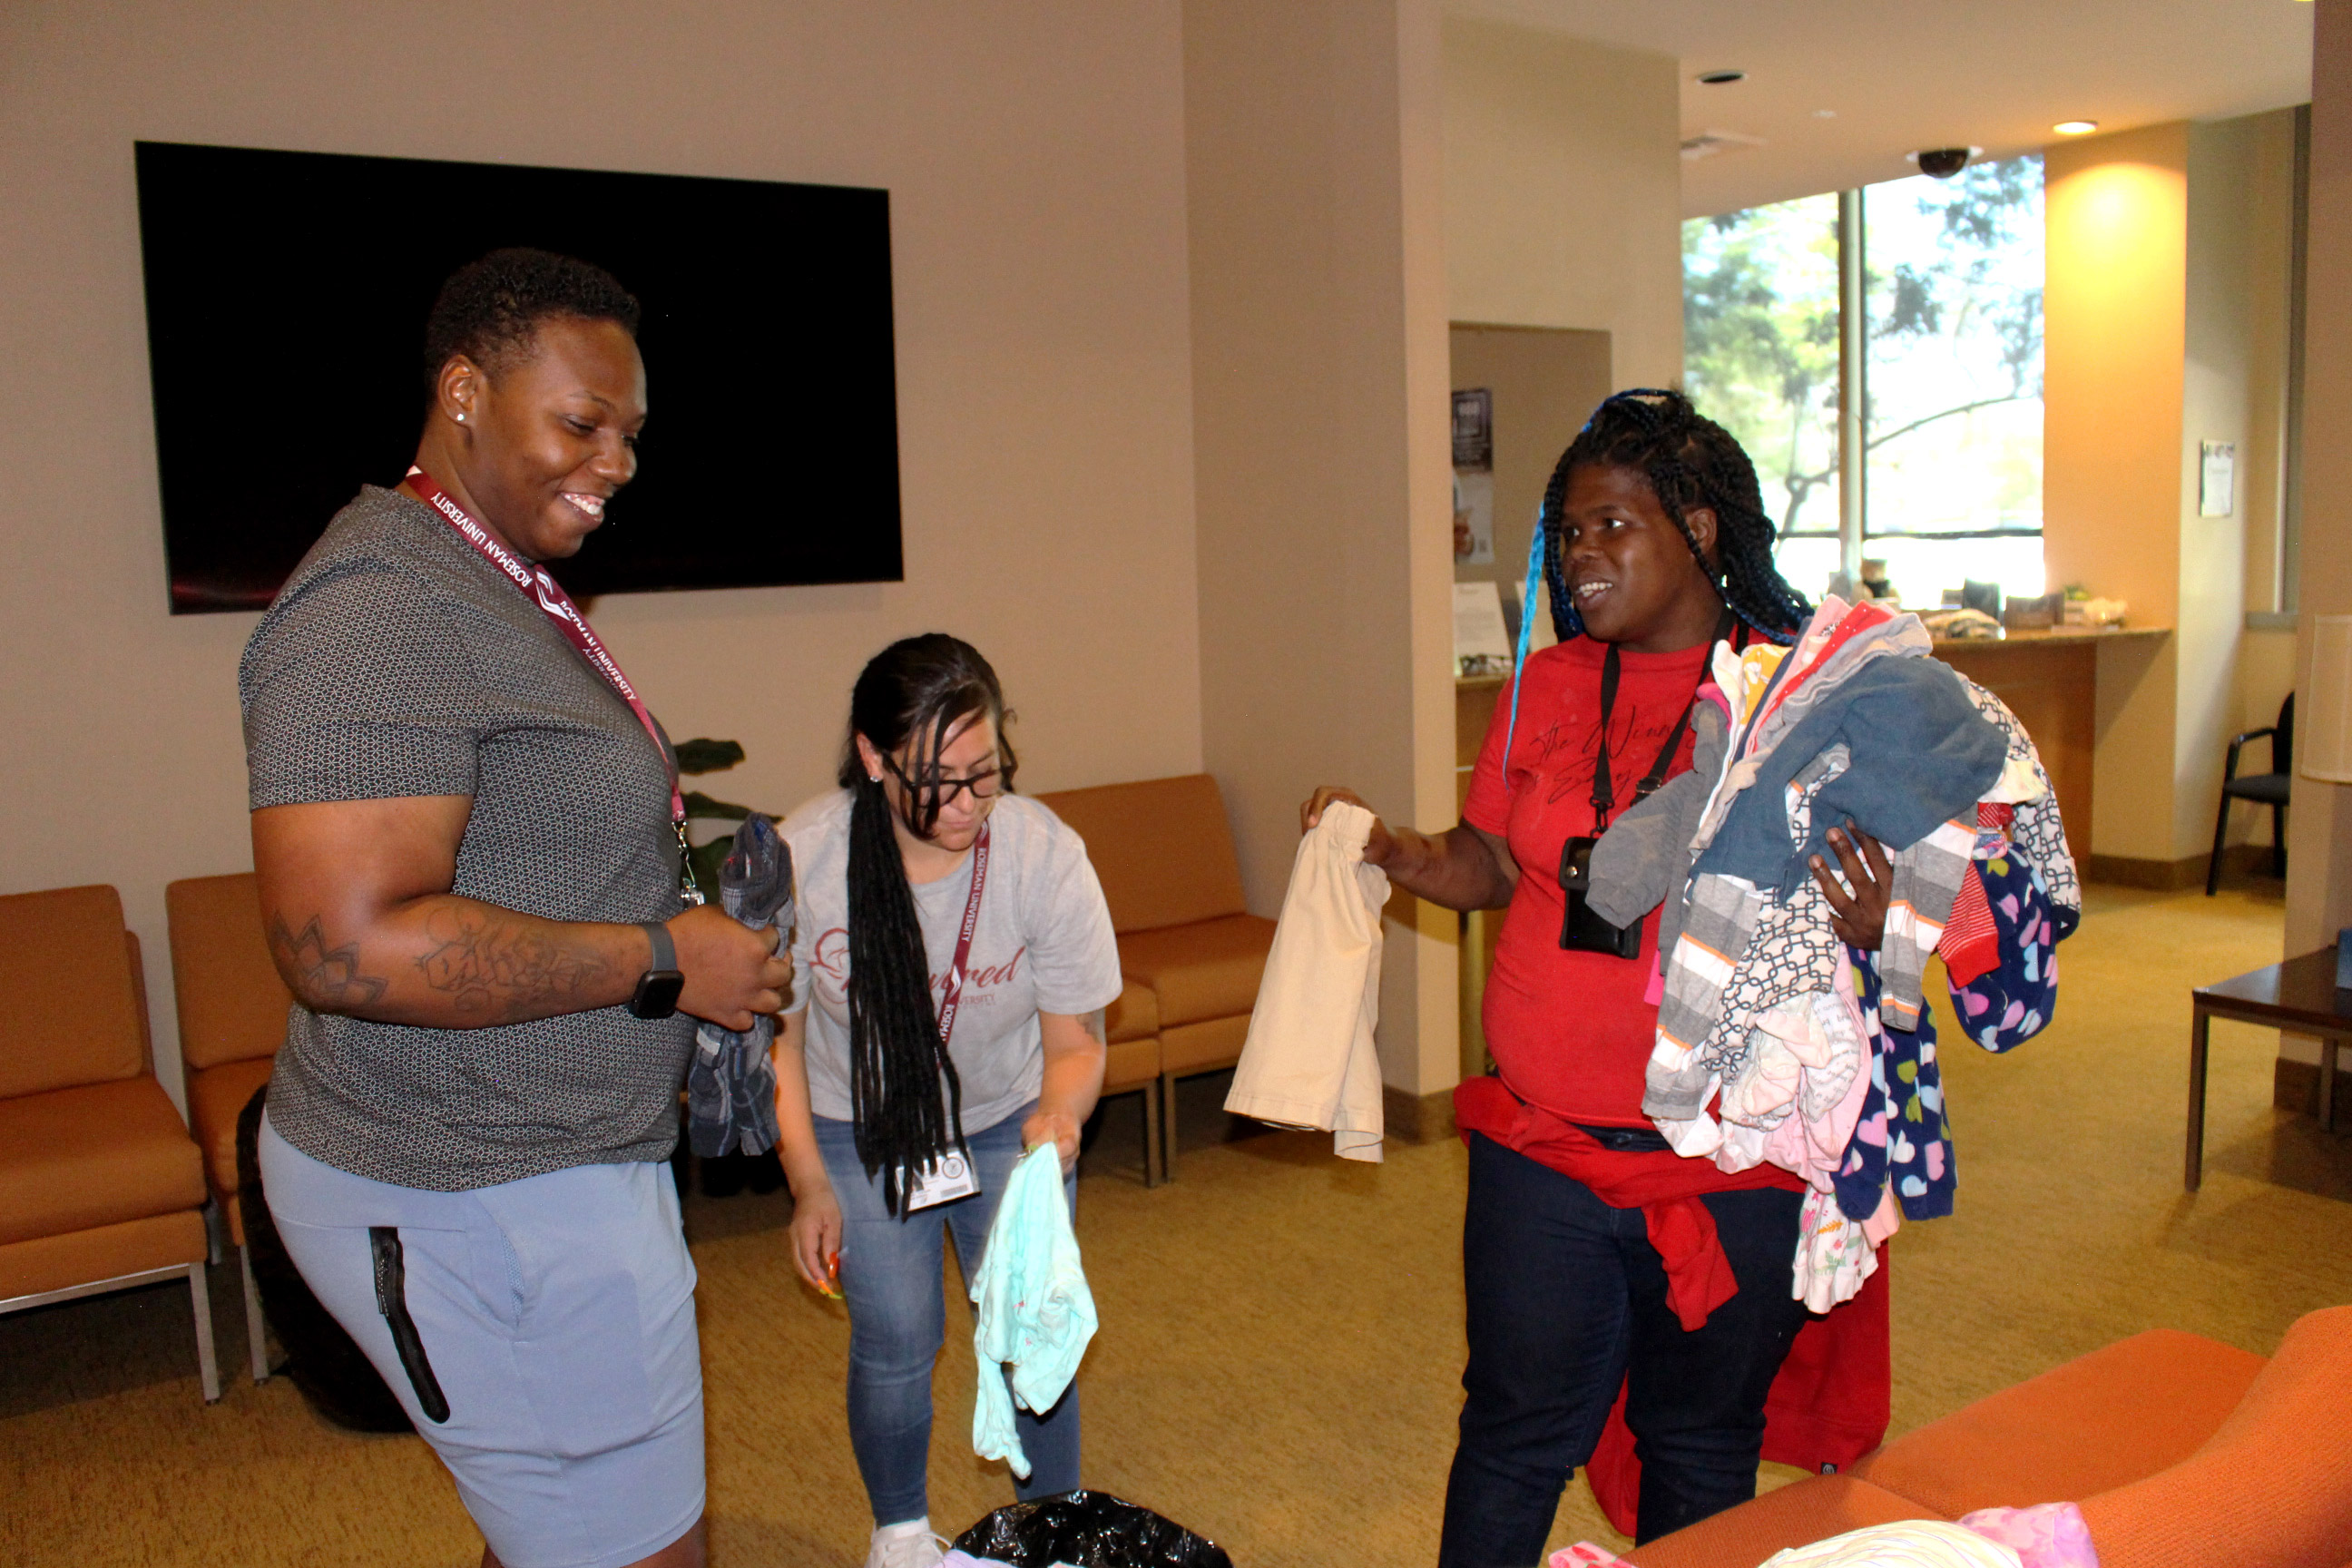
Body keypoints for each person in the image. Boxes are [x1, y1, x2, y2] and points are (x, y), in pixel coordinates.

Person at [242, 248, 790, 1568]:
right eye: (582, 423)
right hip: (475, 1182)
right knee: (640, 1551)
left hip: (547, 1165)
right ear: (464, 392)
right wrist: (663, 958)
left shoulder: (485, 578)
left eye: (632, 434)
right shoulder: (378, 607)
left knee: (559, 1532)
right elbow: (344, 946)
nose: (617, 463)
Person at [1305, 389, 1902, 1563]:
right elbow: (1495, 862)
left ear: (1700, 527)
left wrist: (1880, 923)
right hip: (1543, 1150)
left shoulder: (1804, 696)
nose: (1581, 554)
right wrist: (1399, 851)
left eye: (1613, 526)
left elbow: (1914, 915)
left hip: (1730, 1166)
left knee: (1700, 1442)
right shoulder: (1546, 685)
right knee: (1512, 1432)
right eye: (1569, 531)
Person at [772, 633, 1123, 1568]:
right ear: (873, 757)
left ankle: (1052, 1536)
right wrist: (808, 1181)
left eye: (986, 774)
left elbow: (1076, 1044)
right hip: (862, 1125)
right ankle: (899, 1533)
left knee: (1029, 1333)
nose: (968, 805)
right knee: (896, 1338)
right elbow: (782, 1042)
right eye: (939, 782)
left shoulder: (1043, 855)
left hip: (1010, 1115)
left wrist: (1061, 1117)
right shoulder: (808, 859)